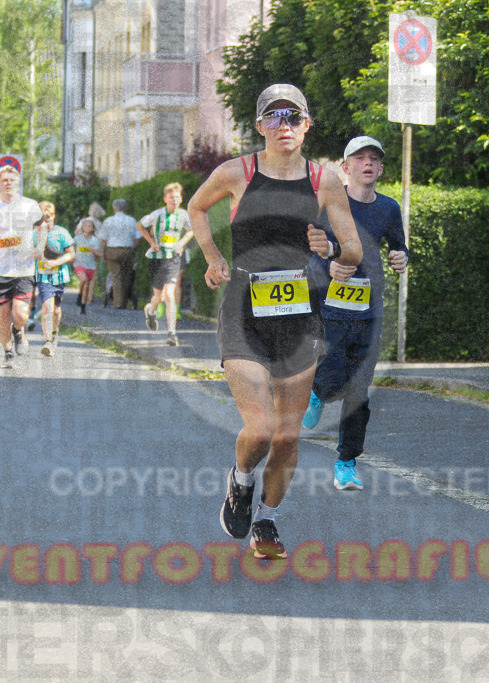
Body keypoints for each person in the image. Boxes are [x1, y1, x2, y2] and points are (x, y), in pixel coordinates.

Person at [188, 84, 362, 559]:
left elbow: (353, 249)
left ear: (307, 126)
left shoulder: (323, 179)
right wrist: (211, 255)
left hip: (297, 314)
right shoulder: (236, 172)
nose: (283, 126)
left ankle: (266, 522)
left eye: (293, 117)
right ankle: (240, 482)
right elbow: (196, 207)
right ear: (260, 125)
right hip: (243, 308)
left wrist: (330, 246)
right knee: (260, 429)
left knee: (287, 435)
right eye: (273, 117)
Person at [301, 136, 409, 490]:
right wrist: (327, 266)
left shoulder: (389, 208)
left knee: (359, 390)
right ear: (345, 167)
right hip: (331, 306)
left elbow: (399, 246)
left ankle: (346, 463)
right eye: (359, 158)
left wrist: (401, 258)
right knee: (333, 375)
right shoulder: (329, 203)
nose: (367, 163)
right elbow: (309, 248)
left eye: (374, 159)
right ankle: (316, 391)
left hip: (370, 307)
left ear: (380, 169)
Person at [0, 166, 44, 369]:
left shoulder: (30, 205)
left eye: (12, 180)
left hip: (24, 268)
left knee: (21, 315)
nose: (8, 183)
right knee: (3, 316)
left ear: (18, 183)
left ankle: (19, 331)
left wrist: (39, 247)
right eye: (4, 180)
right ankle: (8, 352)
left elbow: (42, 227)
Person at [138, 183, 195, 346]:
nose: (175, 201)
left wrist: (181, 243)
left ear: (181, 199)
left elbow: (191, 230)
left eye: (177, 198)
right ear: (165, 199)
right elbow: (140, 225)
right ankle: (151, 311)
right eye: (171, 198)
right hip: (156, 257)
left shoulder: (184, 215)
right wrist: (151, 242)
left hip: (173, 257)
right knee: (158, 296)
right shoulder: (157, 215)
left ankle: (171, 333)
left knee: (169, 293)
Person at [34, 201, 75, 356]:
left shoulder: (62, 233)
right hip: (43, 277)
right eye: (43, 217)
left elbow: (72, 253)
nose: (47, 220)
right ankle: (48, 341)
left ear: (54, 216)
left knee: (56, 311)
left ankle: (55, 332)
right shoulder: (34, 233)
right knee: (47, 308)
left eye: (49, 216)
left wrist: (56, 262)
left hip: (59, 276)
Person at [99, 198, 141, 309]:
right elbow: (138, 238)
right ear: (125, 208)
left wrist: (102, 253)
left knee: (116, 277)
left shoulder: (108, 221)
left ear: (114, 208)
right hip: (127, 250)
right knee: (126, 276)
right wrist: (133, 249)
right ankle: (125, 302)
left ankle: (118, 303)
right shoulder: (132, 220)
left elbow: (103, 240)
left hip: (112, 251)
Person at [73, 218, 100, 315]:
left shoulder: (95, 240)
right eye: (86, 226)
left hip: (90, 265)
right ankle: (79, 296)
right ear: (83, 228)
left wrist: (94, 251)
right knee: (83, 279)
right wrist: (72, 255)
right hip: (79, 263)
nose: (88, 228)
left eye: (90, 226)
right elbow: (71, 246)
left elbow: (98, 254)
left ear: (93, 229)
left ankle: (83, 307)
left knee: (86, 286)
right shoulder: (78, 238)